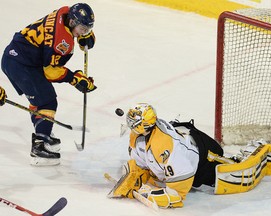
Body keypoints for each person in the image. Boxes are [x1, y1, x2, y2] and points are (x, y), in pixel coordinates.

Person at [1, 3, 96, 166]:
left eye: (87, 29)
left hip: (19, 57)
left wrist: (84, 34)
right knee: (46, 100)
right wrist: (74, 78)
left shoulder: (64, 12)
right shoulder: (62, 41)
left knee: (42, 98)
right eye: (82, 29)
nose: (84, 32)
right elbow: (50, 71)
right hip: (20, 64)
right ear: (72, 22)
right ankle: (39, 145)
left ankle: (43, 133)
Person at [108, 103, 237, 208]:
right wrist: (136, 175)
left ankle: (234, 162)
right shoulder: (139, 135)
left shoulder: (164, 145)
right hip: (184, 137)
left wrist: (170, 195)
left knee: (217, 166)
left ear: (144, 125)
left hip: (201, 158)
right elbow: (143, 162)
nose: (130, 126)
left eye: (133, 123)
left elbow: (181, 181)